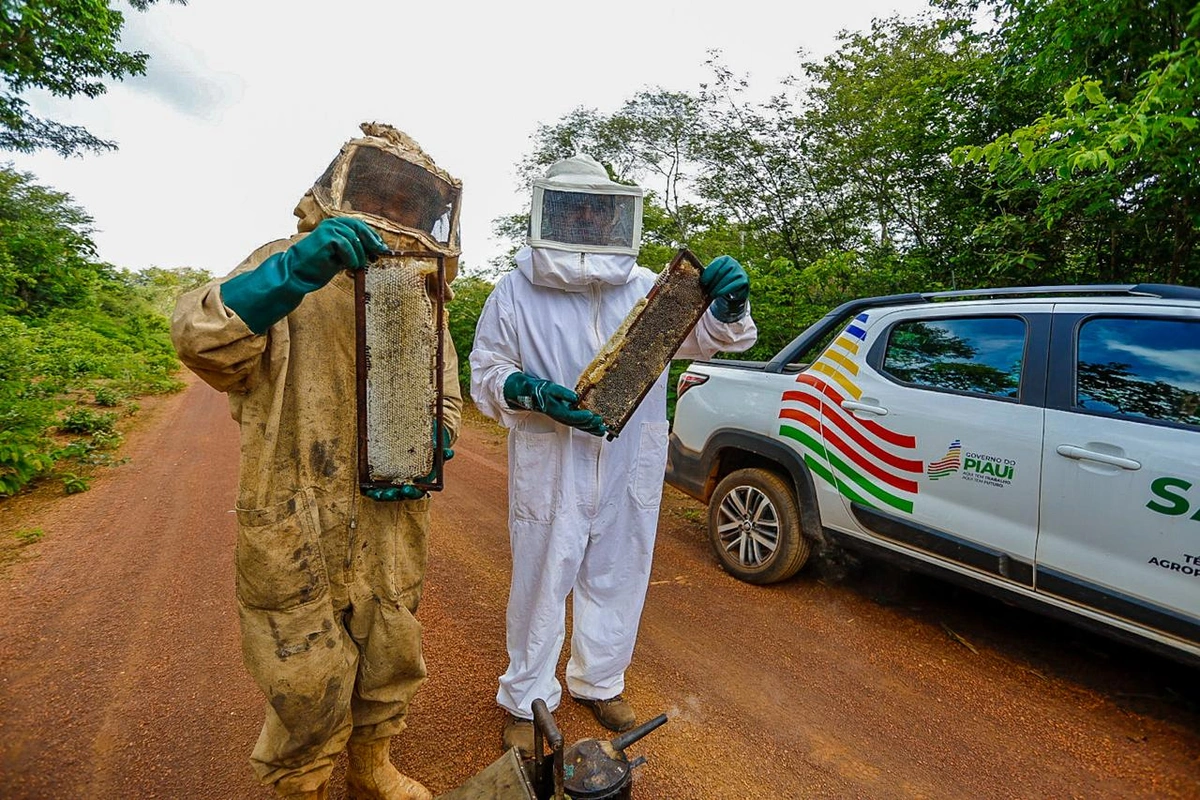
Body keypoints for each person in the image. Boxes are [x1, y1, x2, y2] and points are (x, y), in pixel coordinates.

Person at [171, 123, 463, 800]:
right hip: (295, 504)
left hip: (393, 513)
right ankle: (299, 781)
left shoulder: (424, 293)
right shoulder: (286, 259)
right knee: (301, 667)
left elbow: (444, 392)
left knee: (391, 641)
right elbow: (202, 338)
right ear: (340, 191)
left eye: (408, 201)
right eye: (376, 191)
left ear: (428, 216)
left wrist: (434, 440)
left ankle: (371, 765)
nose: (392, 209)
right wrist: (295, 273)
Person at [469, 154, 757, 754]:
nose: (582, 219)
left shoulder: (648, 286)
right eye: (571, 209)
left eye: (593, 210)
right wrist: (529, 391)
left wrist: (728, 306)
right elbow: (487, 371)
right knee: (542, 577)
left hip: (630, 456)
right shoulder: (515, 290)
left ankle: (598, 681)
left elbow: (710, 340)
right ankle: (527, 699)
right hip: (551, 459)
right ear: (549, 212)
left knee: (619, 571)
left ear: (612, 215)